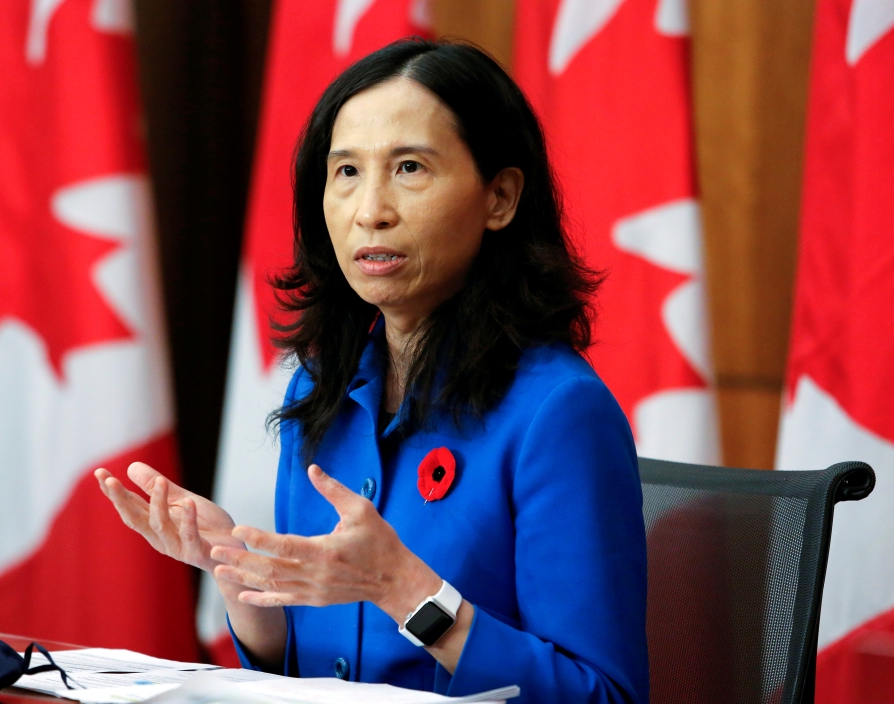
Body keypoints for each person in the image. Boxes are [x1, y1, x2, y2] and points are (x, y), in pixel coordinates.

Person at [95, 39, 649, 703]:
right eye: (347, 172)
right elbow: (315, 675)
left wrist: (407, 591)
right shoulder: (322, 389)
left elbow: (605, 697)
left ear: (499, 197)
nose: (370, 211)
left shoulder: (558, 412)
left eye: (409, 167)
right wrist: (243, 582)